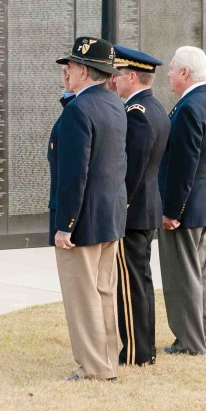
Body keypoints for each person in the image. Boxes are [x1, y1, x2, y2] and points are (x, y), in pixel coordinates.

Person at [48, 36, 128, 381]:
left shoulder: (79, 110)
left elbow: (74, 174)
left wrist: (66, 224)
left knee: (83, 296)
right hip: (108, 214)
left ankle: (95, 368)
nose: (65, 73)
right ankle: (107, 359)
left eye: (70, 67)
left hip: (81, 219)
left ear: (83, 71)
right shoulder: (113, 104)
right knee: (103, 292)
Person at [157, 45, 206, 357]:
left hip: (185, 208)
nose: (170, 76)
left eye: (173, 70)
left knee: (182, 277)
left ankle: (190, 343)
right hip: (204, 204)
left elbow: (183, 166)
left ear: (185, 74)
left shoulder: (190, 107)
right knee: (199, 275)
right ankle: (204, 339)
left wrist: (172, 210)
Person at [108, 45, 170, 366]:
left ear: (132, 76)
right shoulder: (154, 108)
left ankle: (136, 352)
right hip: (145, 210)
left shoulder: (138, 115)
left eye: (118, 75)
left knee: (131, 286)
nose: (113, 81)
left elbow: (130, 172)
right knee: (140, 281)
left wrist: (121, 208)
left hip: (133, 213)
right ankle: (144, 349)